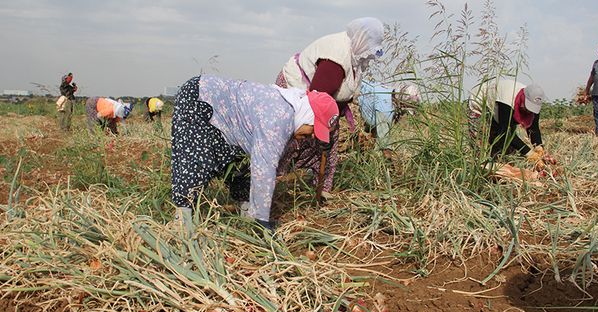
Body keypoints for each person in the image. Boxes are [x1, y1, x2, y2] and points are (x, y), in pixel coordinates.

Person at [171, 75, 338, 230]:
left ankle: (247, 215)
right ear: (308, 115)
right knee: (196, 159)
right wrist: (262, 222)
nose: (310, 136)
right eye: (313, 129)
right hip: (200, 98)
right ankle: (182, 223)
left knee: (240, 164)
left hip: (226, 120)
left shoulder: (291, 111)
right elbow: (264, 168)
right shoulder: (278, 118)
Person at [275, 17, 384, 198]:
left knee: (328, 142)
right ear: (360, 39)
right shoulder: (336, 58)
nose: (369, 54)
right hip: (302, 95)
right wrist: (326, 126)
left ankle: (321, 190)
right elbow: (318, 98)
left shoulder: (354, 53)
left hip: (323, 100)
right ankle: (271, 184)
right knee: (295, 139)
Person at [468, 79, 548, 167]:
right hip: (481, 105)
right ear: (523, 98)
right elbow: (505, 133)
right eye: (527, 107)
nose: (529, 111)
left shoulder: (534, 103)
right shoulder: (507, 99)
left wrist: (539, 147)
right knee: (481, 148)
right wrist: (529, 153)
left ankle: (498, 168)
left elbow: (533, 128)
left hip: (499, 113)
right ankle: (481, 170)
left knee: (506, 152)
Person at [358, 80, 420, 156]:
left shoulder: (387, 92)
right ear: (401, 104)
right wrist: (392, 164)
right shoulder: (385, 110)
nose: (403, 114)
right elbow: (385, 146)